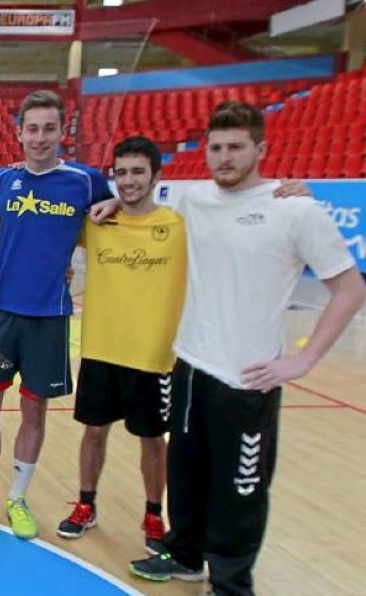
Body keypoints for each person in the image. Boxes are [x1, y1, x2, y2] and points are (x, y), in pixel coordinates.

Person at [129, 102, 365, 595]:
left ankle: (232, 583)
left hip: (248, 378)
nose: (223, 157)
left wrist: (303, 359)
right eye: (215, 148)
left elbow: (350, 289)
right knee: (187, 473)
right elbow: (138, 200)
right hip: (190, 365)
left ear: (261, 149)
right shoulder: (193, 198)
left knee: (241, 490)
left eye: (235, 147)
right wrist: (111, 203)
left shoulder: (295, 209)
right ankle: (187, 557)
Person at [0, 89, 113, 540]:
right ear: (19, 132)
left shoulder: (85, 182)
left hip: (50, 316)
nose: (41, 137)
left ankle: (18, 499)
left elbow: (125, 200)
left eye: (50, 128)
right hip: (1, 312)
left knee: (35, 412)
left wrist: (118, 204)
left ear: (62, 131)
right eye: (33, 129)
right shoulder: (0, 180)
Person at [56, 136, 183, 550]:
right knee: (93, 433)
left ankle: (153, 515)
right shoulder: (97, 223)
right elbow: (48, 221)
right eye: (122, 173)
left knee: (152, 441)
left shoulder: (177, 228)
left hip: (152, 357)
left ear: (155, 176)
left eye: (137, 172)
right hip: (99, 348)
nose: (128, 181)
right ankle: (86, 504)